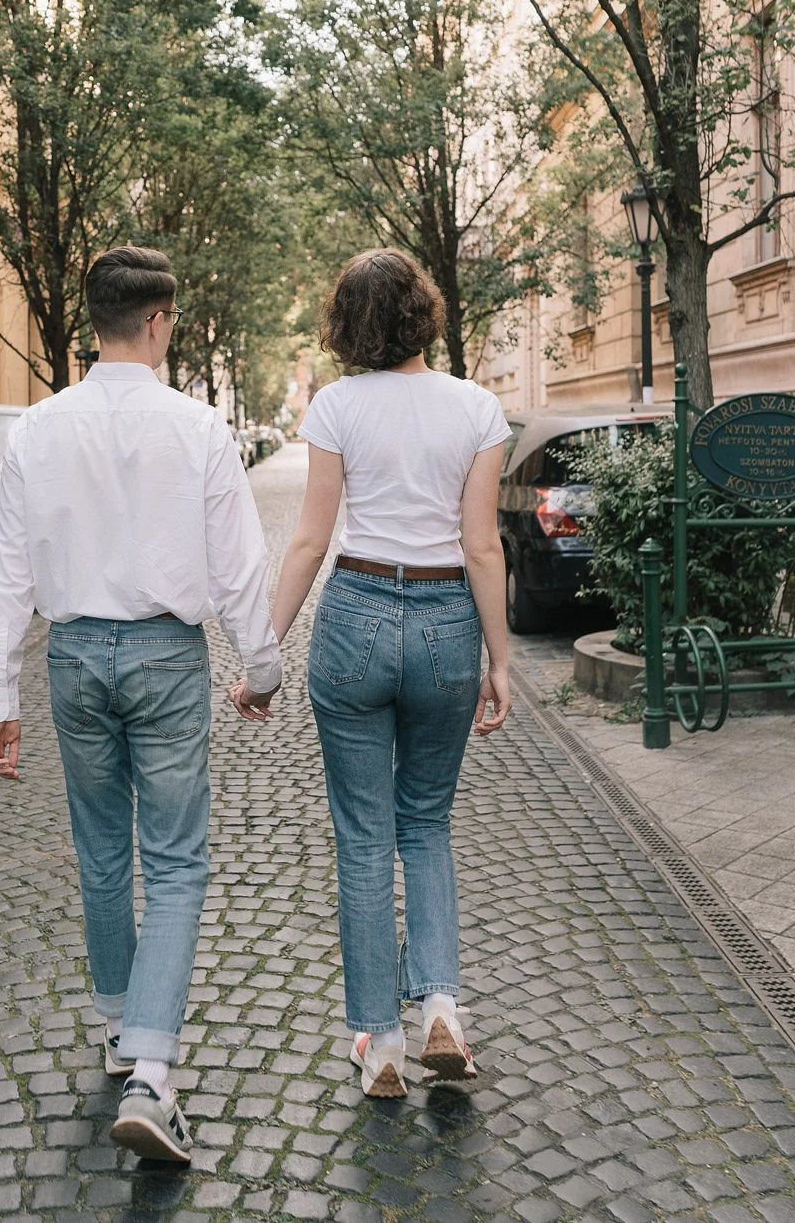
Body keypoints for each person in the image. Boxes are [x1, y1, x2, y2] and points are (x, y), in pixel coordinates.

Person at [0, 246, 281, 1162]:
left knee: (103, 852)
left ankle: (118, 1026)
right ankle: (151, 1068)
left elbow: (6, 569)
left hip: (72, 656)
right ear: (158, 323)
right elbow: (238, 566)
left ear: (92, 323)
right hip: (163, 655)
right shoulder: (198, 428)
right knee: (178, 863)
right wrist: (261, 669)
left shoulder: (35, 429)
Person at [232, 248, 510, 1099]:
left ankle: (382, 1045)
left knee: (362, 837)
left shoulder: (336, 406)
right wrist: (499, 659)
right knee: (423, 823)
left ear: (347, 324)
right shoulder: (477, 407)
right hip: (443, 623)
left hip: (353, 615)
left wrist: (263, 654)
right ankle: (442, 1009)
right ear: (425, 312)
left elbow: (310, 541)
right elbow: (480, 546)